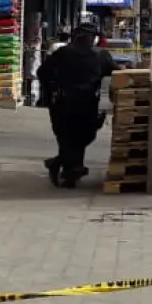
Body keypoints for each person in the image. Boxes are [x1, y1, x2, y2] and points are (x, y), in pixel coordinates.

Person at [38, 24, 116, 187]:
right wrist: (52, 91)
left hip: (82, 103)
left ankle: (64, 165)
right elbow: (43, 73)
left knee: (79, 137)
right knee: (70, 138)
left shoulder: (100, 55)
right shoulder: (64, 53)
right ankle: (71, 171)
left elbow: (114, 74)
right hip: (67, 102)